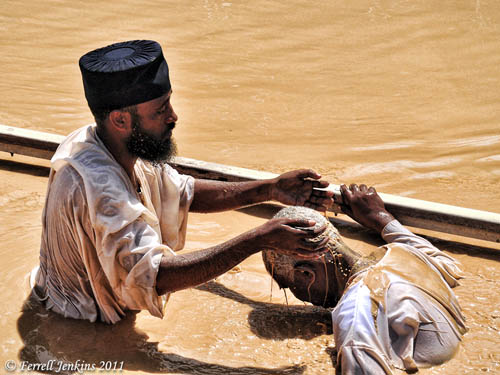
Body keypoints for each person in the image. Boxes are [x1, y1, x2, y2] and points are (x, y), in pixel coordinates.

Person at [30, 40, 334, 324]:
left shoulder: (109, 141)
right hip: (78, 323)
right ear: (121, 120)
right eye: (161, 110)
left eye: (169, 104)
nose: (174, 117)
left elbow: (181, 193)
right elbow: (153, 277)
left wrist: (269, 189)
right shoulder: (100, 188)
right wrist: (257, 239)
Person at [262, 184, 467, 375]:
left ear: (306, 274)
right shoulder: (404, 252)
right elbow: (450, 265)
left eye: (288, 286)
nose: (301, 299)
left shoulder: (353, 315)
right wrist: (380, 217)